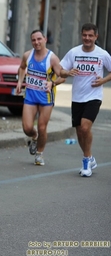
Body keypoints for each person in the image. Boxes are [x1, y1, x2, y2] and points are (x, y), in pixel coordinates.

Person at [59, 23, 111, 177]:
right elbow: (60, 70)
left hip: (94, 96)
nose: (87, 38)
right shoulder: (73, 52)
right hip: (77, 97)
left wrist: (103, 81)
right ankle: (89, 157)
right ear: (81, 35)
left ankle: (86, 161)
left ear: (96, 37)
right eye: (84, 35)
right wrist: (68, 72)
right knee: (79, 132)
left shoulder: (102, 54)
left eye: (90, 35)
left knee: (85, 128)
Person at [16, 30, 66, 166]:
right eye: (33, 40)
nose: (36, 42)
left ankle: (39, 154)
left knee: (42, 127)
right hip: (30, 95)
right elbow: (21, 68)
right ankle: (34, 136)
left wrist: (53, 82)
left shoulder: (52, 58)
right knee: (27, 128)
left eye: (39, 39)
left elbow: (62, 76)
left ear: (44, 39)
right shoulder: (28, 55)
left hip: (46, 97)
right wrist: (20, 82)